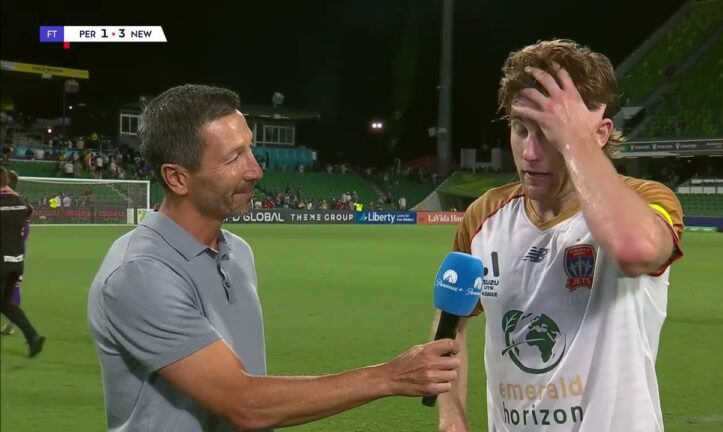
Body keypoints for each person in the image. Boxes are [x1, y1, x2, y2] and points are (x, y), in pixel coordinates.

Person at [87, 84, 461, 432]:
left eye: (250, 149)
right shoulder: (139, 272)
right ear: (177, 178)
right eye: (234, 157)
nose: (256, 170)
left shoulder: (237, 252)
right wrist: (389, 376)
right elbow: (243, 403)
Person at [434, 39, 684, 432]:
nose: (530, 153)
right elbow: (451, 318)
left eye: (549, 133)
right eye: (520, 130)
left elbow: (635, 250)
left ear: (599, 134)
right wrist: (451, 418)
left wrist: (577, 140)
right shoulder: (484, 216)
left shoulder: (644, 200)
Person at [0, 167, 45, 356]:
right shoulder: (21, 203)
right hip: (17, 262)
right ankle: (33, 337)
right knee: (5, 303)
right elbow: (27, 213)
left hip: (1, 262)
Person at [1, 170, 30, 335]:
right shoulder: (20, 205)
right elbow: (25, 232)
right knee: (14, 288)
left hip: (5, 254)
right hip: (18, 254)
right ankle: (12, 324)